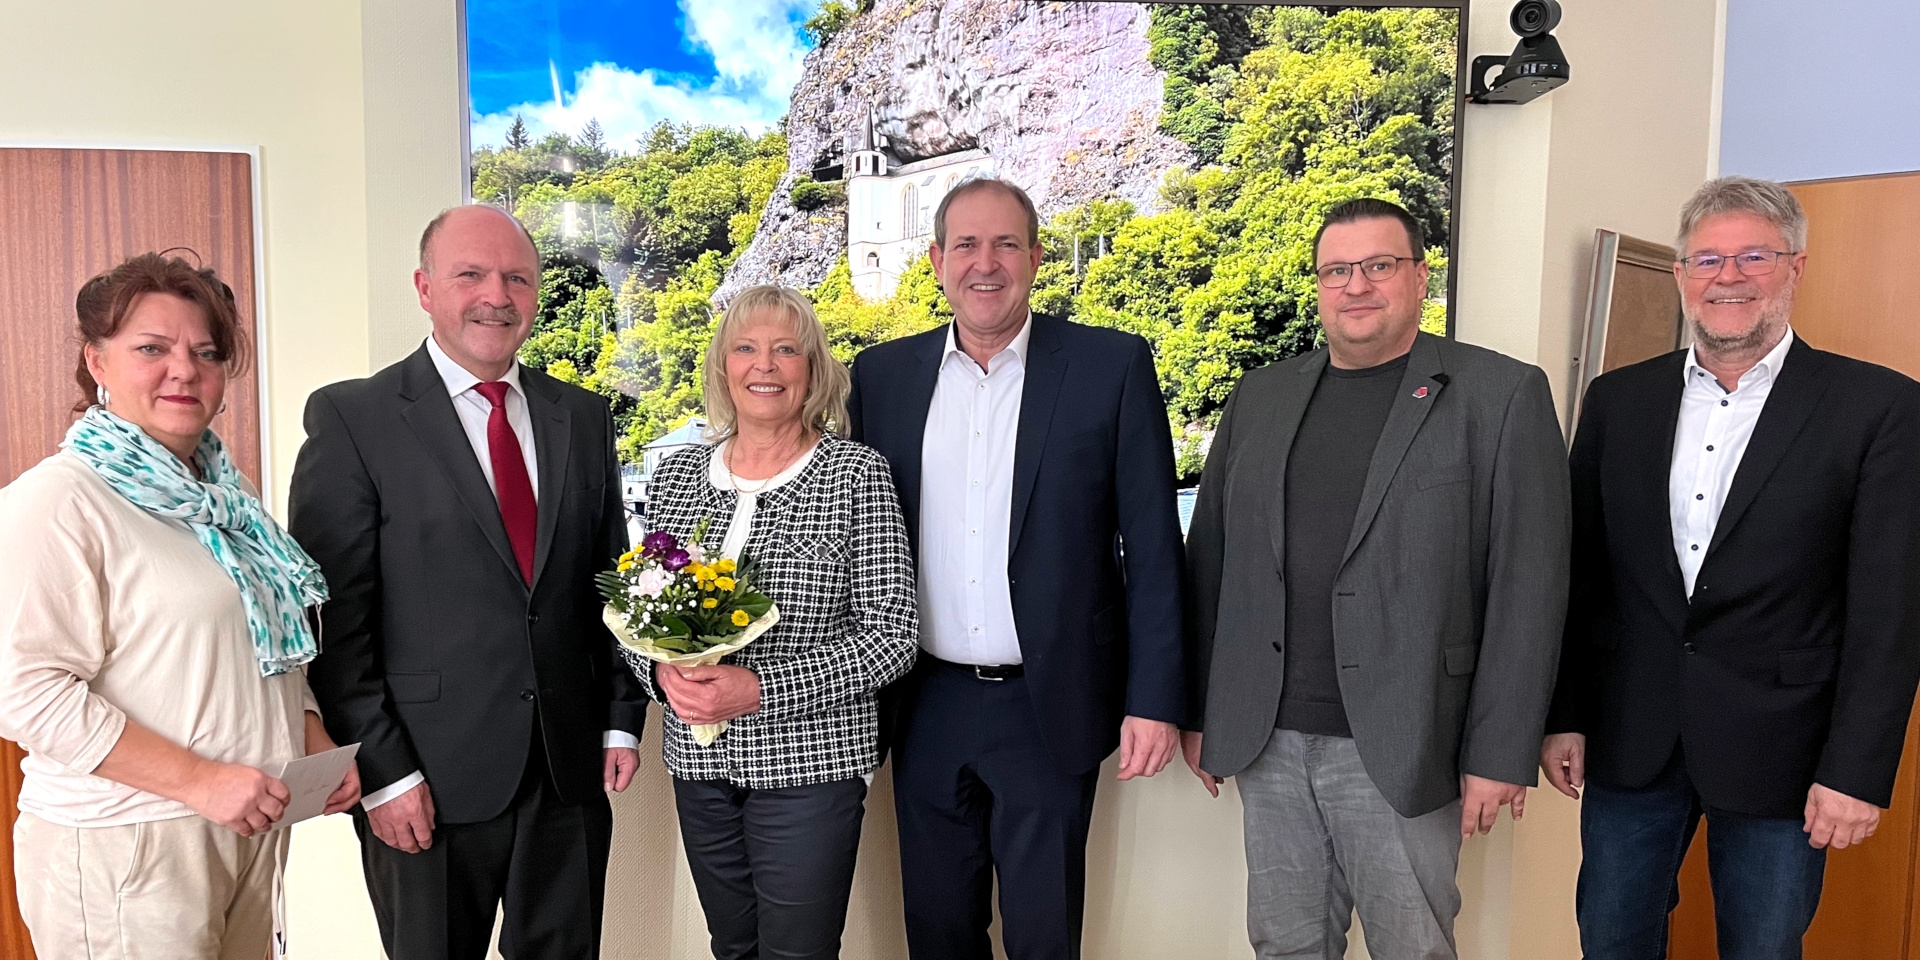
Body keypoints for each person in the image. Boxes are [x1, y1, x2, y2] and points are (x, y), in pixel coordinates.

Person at [1181, 198, 1571, 960]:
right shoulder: (1261, 396)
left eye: (1379, 266)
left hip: (1406, 740)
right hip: (1270, 740)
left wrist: (1500, 752)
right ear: (1319, 285)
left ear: (1420, 278)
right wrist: (1201, 709)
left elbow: (1532, 588)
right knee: (1285, 946)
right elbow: (1213, 563)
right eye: (1337, 270)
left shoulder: (1500, 396)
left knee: (1414, 949)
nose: (1356, 285)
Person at [1543, 176, 1920, 960]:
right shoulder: (1618, 402)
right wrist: (1563, 713)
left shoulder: (1879, 409)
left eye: (1755, 255)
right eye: (1708, 259)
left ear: (1795, 267)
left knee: (1762, 947)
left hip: (1785, 749)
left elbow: (1892, 611)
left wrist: (1857, 770)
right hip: (1631, 740)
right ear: (1681, 275)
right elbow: (1583, 578)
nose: (1729, 276)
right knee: (1611, 939)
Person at [288, 205, 646, 960]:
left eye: (517, 277)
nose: (497, 295)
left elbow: (611, 577)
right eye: (471, 274)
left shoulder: (579, 416)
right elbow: (334, 625)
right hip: (425, 776)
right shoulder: (355, 417)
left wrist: (619, 716)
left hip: (567, 769)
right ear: (424, 287)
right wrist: (382, 774)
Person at [847, 177, 1187, 960]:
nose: (985, 263)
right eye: (965, 244)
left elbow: (1154, 546)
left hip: (1051, 701)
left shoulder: (1112, 366)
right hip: (921, 699)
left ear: (1036, 258)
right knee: (937, 930)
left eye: (1005, 243)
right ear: (936, 261)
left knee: (1044, 934)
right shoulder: (884, 377)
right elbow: (858, 545)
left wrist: (1156, 700)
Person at [0, 252, 357, 960]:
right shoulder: (58, 500)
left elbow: (260, 636)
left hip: (248, 823)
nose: (184, 370)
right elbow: (25, 691)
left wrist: (307, 725)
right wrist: (201, 781)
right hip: (128, 845)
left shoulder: (230, 500)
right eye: (152, 349)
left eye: (205, 351)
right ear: (96, 362)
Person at [627, 284, 918, 960]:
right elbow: (641, 613)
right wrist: (659, 673)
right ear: (723, 366)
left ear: (812, 369)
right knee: (732, 947)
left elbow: (891, 636)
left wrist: (757, 689)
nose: (766, 364)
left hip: (810, 768)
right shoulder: (677, 476)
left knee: (797, 952)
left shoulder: (855, 474)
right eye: (747, 348)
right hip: (698, 765)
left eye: (787, 349)